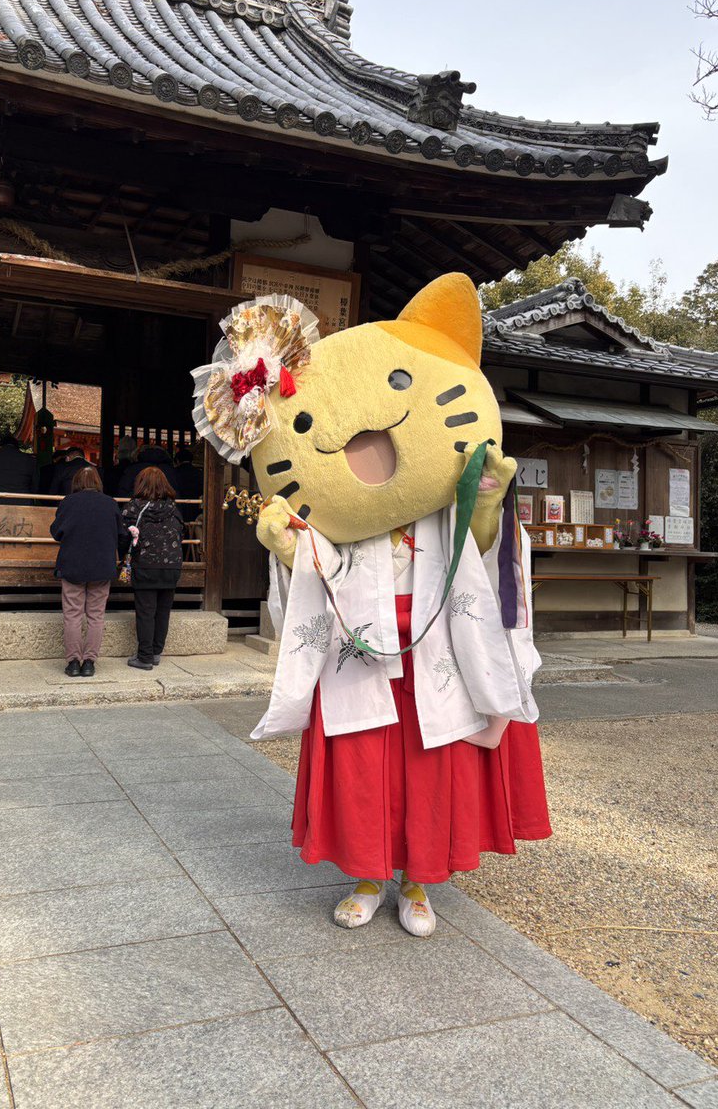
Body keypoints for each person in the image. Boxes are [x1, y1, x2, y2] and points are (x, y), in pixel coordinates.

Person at [191, 277, 550, 938]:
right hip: (359, 650)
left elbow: (485, 557)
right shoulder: (342, 517)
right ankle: (365, 875)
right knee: (364, 768)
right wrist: (291, 549)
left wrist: (485, 506)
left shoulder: (440, 502)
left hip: (439, 648)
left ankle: (417, 880)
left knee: (429, 768)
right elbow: (321, 569)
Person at [50, 466, 130, 677]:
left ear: (76, 482)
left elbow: (56, 533)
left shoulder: (68, 502)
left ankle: (73, 662)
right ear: (98, 483)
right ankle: (89, 663)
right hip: (102, 566)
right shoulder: (110, 503)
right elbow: (121, 534)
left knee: (72, 614)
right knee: (96, 615)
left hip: (72, 565)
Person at [122, 467, 184, 670]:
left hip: (145, 566)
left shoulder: (134, 508)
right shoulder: (174, 509)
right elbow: (181, 533)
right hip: (171, 566)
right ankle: (156, 652)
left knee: (146, 612)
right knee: (163, 611)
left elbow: (123, 536)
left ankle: (145, 657)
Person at [172, 446, 204, 523]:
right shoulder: (198, 473)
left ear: (177, 460)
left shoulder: (174, 472)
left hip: (178, 505)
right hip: (195, 504)